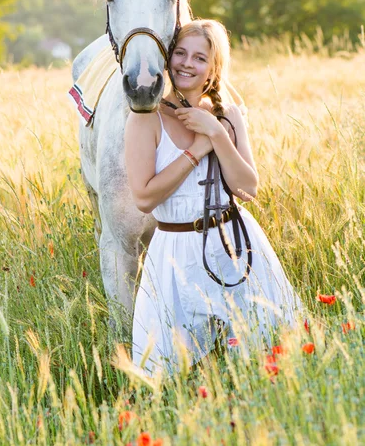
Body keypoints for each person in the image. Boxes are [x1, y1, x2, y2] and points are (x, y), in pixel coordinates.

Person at [125, 19, 303, 376]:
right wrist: (197, 149)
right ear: (167, 58)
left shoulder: (228, 115)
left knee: (255, 355)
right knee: (170, 368)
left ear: (213, 69)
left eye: (199, 57)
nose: (187, 63)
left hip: (233, 245)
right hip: (176, 252)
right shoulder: (146, 118)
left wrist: (218, 137)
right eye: (180, 53)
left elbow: (246, 189)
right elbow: (144, 197)